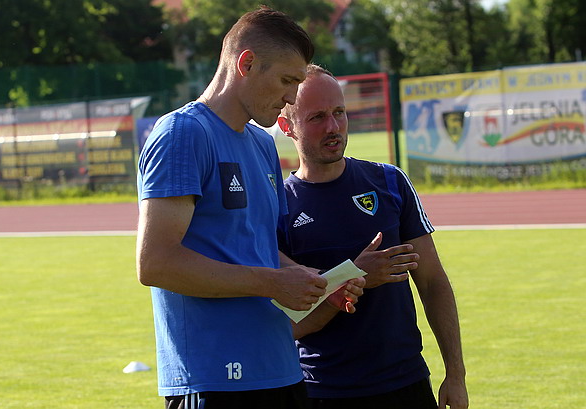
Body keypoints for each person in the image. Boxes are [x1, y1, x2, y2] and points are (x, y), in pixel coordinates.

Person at [136, 9, 363, 409]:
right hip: (214, 378)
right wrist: (273, 283)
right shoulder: (182, 134)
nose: (292, 97)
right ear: (247, 64)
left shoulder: (262, 144)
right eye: (287, 81)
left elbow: (255, 247)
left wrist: (314, 281)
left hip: (281, 369)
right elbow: (156, 263)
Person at [277, 64, 469, 409]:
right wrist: (356, 274)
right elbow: (286, 323)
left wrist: (455, 374)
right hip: (321, 391)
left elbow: (432, 282)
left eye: (339, 112)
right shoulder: (277, 205)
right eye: (317, 117)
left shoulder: (389, 182)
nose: (333, 127)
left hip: (405, 382)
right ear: (286, 126)